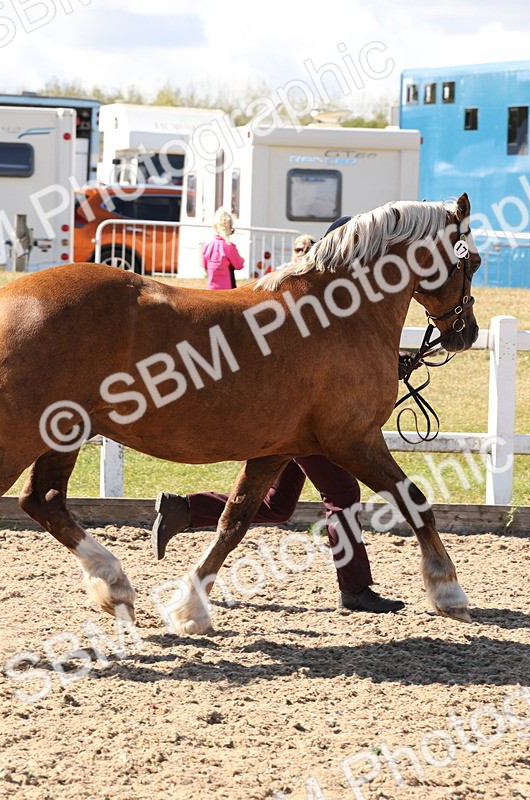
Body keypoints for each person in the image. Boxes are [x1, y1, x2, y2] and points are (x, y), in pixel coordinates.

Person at [151, 216, 406, 614]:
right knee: (341, 493)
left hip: (293, 418)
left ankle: (185, 509)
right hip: (305, 419)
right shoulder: (325, 300)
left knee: (277, 504)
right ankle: (355, 589)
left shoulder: (332, 298)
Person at [202, 207, 245, 289]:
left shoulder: (207, 245)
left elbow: (205, 267)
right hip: (227, 291)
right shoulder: (229, 246)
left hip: (211, 290)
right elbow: (239, 266)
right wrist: (242, 260)